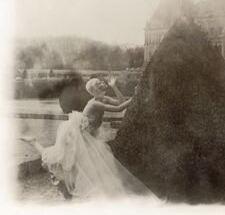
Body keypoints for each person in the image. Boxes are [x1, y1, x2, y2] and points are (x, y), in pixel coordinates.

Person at [21, 76, 155, 200]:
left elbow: (121, 102)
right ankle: (33, 142)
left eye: (101, 82)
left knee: (77, 165)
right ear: (94, 90)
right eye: (98, 83)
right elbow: (120, 109)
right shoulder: (93, 103)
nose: (102, 83)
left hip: (87, 136)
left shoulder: (103, 98)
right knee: (58, 157)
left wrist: (114, 86)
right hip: (74, 134)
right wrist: (137, 95)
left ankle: (67, 191)